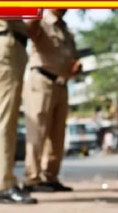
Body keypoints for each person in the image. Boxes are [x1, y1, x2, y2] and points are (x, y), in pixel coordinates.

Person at [24, 9, 80, 192]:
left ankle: (50, 176)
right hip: (42, 80)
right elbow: (30, 32)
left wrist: (75, 68)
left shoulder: (67, 30)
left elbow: (72, 58)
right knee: (38, 130)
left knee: (58, 134)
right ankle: (32, 178)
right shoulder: (42, 20)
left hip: (62, 83)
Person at [0, 19, 37, 204]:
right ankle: (3, 185)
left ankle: (6, 181)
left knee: (9, 118)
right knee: (5, 118)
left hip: (13, 45)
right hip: (6, 44)